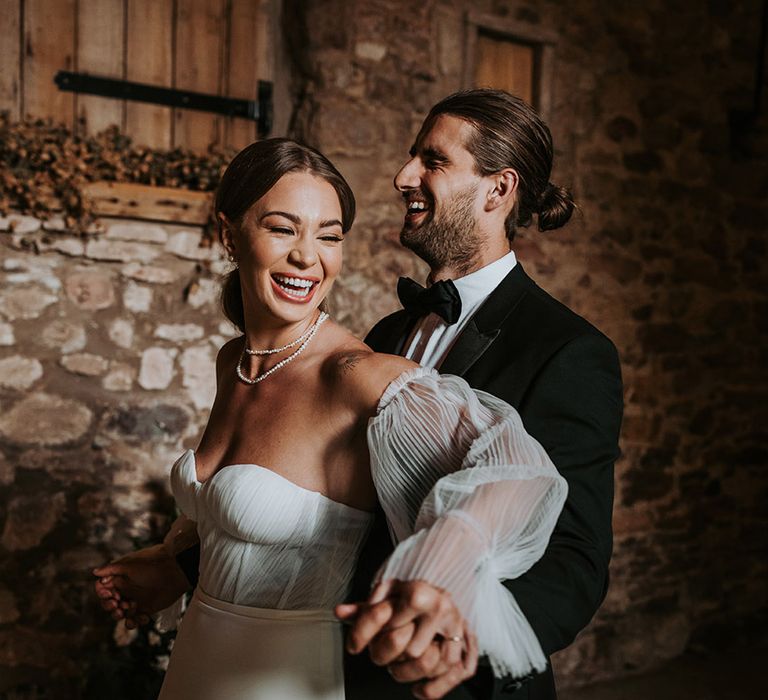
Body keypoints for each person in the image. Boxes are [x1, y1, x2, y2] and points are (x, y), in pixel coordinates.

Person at [96, 89, 623, 699]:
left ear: (497, 190)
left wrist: (456, 634)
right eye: (410, 157)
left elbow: (574, 559)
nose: (403, 177)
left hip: (452, 681)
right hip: (334, 667)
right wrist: (181, 568)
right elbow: (323, 516)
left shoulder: (569, 351)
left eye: (432, 160)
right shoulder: (386, 335)